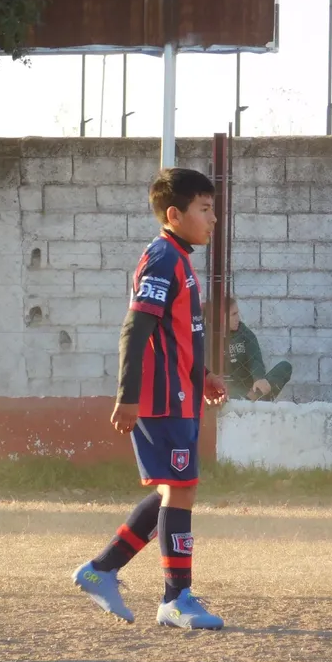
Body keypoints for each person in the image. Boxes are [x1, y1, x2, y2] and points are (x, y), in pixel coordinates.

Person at [71, 168, 228, 630]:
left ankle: (102, 570)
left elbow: (175, 333)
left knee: (174, 489)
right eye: (205, 209)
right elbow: (136, 327)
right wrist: (128, 397)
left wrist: (202, 375)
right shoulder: (162, 259)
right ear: (175, 214)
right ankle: (176, 599)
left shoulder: (179, 257)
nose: (213, 218)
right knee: (181, 490)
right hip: (161, 400)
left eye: (213, 208)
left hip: (181, 395)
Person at [226, 298, 292, 402]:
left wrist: (259, 378)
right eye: (233, 314)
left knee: (285, 367)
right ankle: (249, 402)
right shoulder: (208, 337)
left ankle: (252, 400)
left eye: (237, 313)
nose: (237, 318)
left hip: (251, 389)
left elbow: (255, 359)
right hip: (226, 391)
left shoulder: (244, 333)